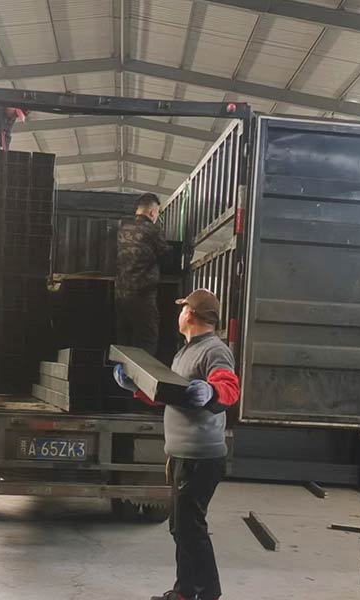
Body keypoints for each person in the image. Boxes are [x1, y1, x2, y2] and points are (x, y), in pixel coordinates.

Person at [113, 289, 241, 600]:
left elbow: (229, 387)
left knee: (190, 528)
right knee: (181, 528)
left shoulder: (214, 350)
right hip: (181, 454)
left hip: (200, 457)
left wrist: (211, 392)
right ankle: (186, 592)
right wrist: (136, 387)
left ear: (191, 314)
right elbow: (171, 396)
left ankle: (206, 594)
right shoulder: (184, 353)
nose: (179, 313)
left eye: (183, 308)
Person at [115, 192, 169, 356]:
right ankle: (141, 373)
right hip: (143, 295)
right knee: (147, 340)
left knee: (125, 343)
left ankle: (121, 372)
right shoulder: (152, 229)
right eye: (157, 213)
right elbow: (166, 255)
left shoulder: (123, 229)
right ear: (152, 212)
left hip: (121, 295)